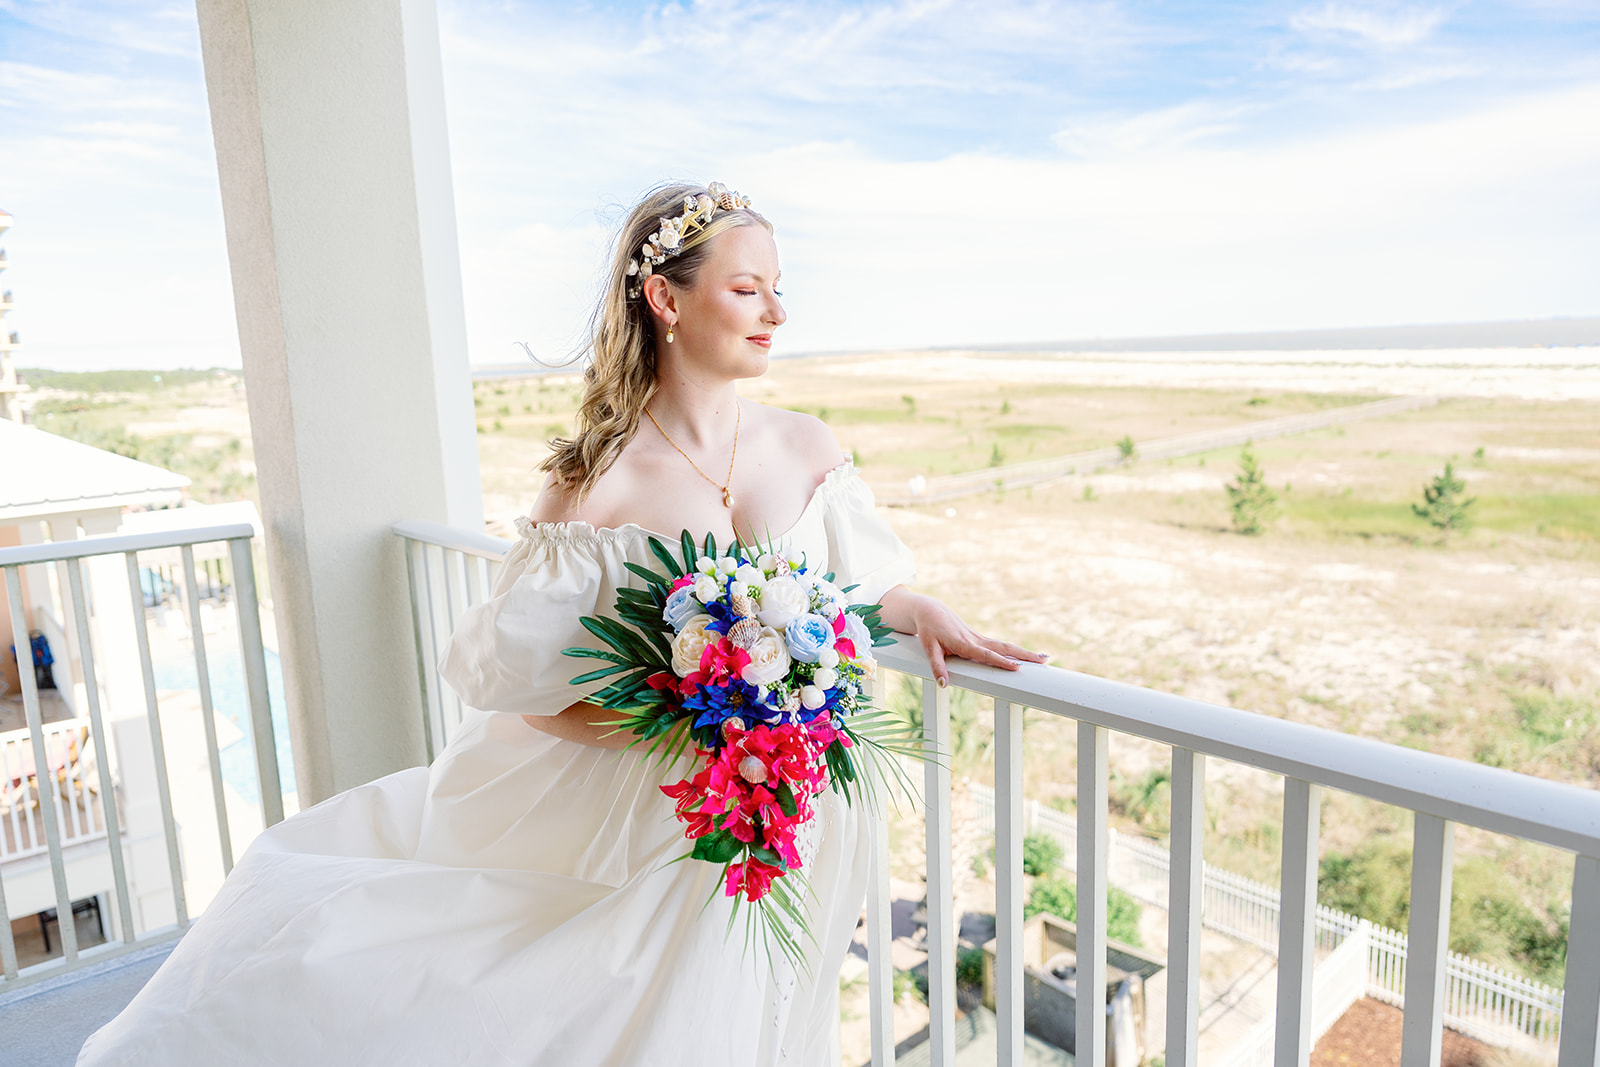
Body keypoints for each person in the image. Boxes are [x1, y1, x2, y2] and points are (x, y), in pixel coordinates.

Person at [77, 182, 1045, 1066]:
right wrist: (700, 727)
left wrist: (913, 609)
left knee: (762, 1011)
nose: (777, 313)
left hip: (789, 805)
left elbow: (843, 599)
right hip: (656, 811)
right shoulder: (595, 481)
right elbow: (533, 694)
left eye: (779, 289)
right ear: (666, 300)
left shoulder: (806, 443)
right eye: (749, 289)